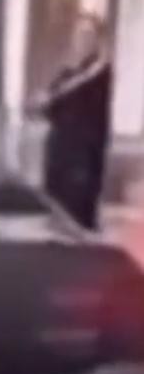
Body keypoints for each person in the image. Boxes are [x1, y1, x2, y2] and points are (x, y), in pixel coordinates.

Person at [31, 13, 113, 229]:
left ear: (97, 41)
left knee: (78, 219)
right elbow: (48, 108)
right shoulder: (66, 73)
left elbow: (78, 103)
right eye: (79, 35)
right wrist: (43, 102)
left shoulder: (99, 73)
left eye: (88, 35)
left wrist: (51, 98)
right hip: (58, 154)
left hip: (82, 160)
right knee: (56, 214)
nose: (82, 40)